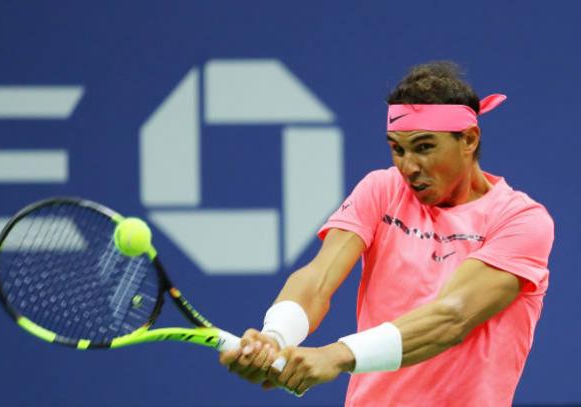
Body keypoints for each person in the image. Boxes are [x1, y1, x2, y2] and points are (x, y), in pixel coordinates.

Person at [219, 61, 554, 406]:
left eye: (424, 147)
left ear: (468, 139)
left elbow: (452, 317)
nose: (408, 166)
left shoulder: (521, 220)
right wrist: (275, 335)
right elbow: (318, 279)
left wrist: (338, 354)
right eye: (398, 148)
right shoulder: (381, 190)